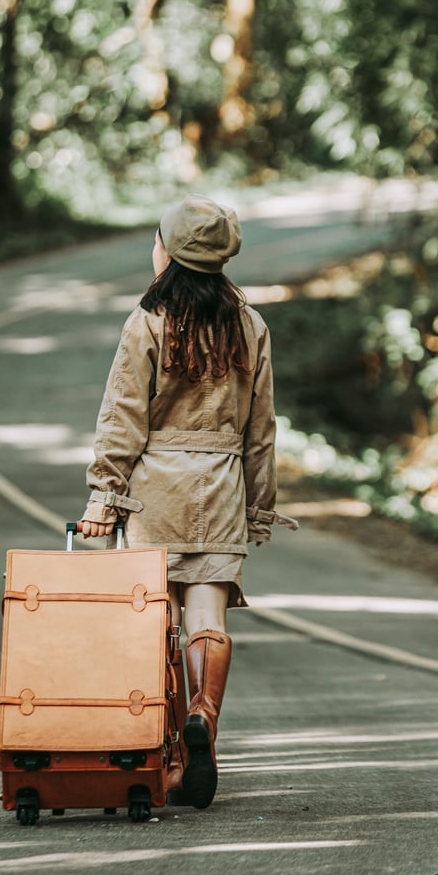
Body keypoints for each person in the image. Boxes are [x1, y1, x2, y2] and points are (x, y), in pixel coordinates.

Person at [81, 193, 295, 809]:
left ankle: (173, 752)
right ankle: (205, 716)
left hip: (155, 496)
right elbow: (262, 429)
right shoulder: (250, 325)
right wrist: (258, 506)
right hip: (222, 488)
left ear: (167, 252)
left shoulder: (148, 321)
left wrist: (104, 495)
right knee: (208, 621)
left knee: (160, 625)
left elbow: (123, 418)